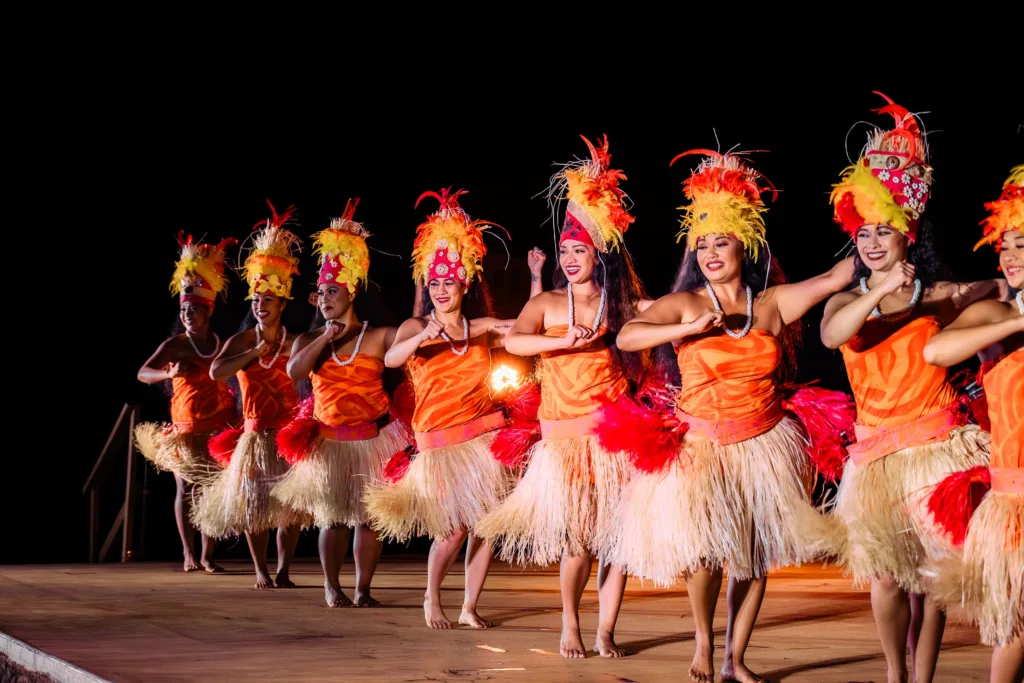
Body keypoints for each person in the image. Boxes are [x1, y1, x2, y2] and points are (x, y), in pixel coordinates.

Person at [607, 146, 854, 682]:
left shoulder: (772, 303)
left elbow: (835, 279)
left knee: (753, 554)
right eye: (702, 244)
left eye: (721, 241)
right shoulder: (689, 303)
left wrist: (875, 225)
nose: (710, 252)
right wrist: (683, 331)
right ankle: (703, 641)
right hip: (702, 448)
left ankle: (734, 657)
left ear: (746, 244)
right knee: (704, 555)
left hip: (761, 440)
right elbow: (628, 334)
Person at [821, 93, 1005, 683]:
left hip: (937, 447)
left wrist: (977, 290)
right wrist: (879, 291)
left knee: (931, 576)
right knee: (886, 575)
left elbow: (988, 287)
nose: (872, 242)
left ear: (908, 234)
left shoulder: (938, 293)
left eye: (885, 232)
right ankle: (895, 674)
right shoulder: (847, 299)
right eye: (864, 233)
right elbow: (833, 337)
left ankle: (921, 679)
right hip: (875, 455)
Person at [477, 135, 652, 659]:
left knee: (616, 540)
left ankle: (606, 631)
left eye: (580, 250)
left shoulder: (621, 302)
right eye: (566, 250)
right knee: (578, 541)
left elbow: (664, 313)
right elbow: (512, 341)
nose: (570, 258)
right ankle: (572, 625)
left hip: (614, 432)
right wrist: (558, 339)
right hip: (565, 438)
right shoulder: (550, 303)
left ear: (599, 254)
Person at [365, 188, 517, 629]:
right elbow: (392, 360)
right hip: (441, 447)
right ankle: (432, 597)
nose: (441, 290)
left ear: (463, 284)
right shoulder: (415, 327)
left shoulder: (480, 327)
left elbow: (521, 331)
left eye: (448, 282)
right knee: (451, 530)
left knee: (487, 526)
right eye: (434, 283)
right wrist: (423, 334)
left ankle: (469, 606)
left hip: (482, 441)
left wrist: (543, 286)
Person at [271, 199, 408, 607]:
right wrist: (324, 338)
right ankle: (332, 587)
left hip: (373, 437)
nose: (326, 298)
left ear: (352, 292)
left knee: (369, 519)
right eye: (321, 293)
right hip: (329, 442)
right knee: (331, 518)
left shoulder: (380, 335)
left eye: (333, 291)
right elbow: (296, 372)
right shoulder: (308, 341)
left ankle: (364, 589)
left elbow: (408, 351)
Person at [922, 166, 1023, 683]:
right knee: (1014, 626)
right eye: (1005, 245)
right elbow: (936, 350)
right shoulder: (994, 312)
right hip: (1014, 499)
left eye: (1022, 245)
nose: (1009, 256)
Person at [191, 200, 307, 589]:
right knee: (256, 507)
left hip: (288, 434)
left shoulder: (295, 342)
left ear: (282, 303)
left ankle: (284, 570)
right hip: (255, 436)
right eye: (256, 300)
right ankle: (260, 571)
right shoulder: (242, 339)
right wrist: (251, 354)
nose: (260, 306)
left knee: (290, 509)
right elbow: (216, 370)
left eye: (267, 300)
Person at [135, 233, 236, 573]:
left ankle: (207, 555)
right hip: (186, 428)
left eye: (194, 309)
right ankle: (188, 554)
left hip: (218, 427)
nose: (188, 314)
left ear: (208, 310)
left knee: (212, 488)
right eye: (183, 310)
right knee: (186, 488)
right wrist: (168, 374)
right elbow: (142, 373)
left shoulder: (223, 344)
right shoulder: (175, 345)